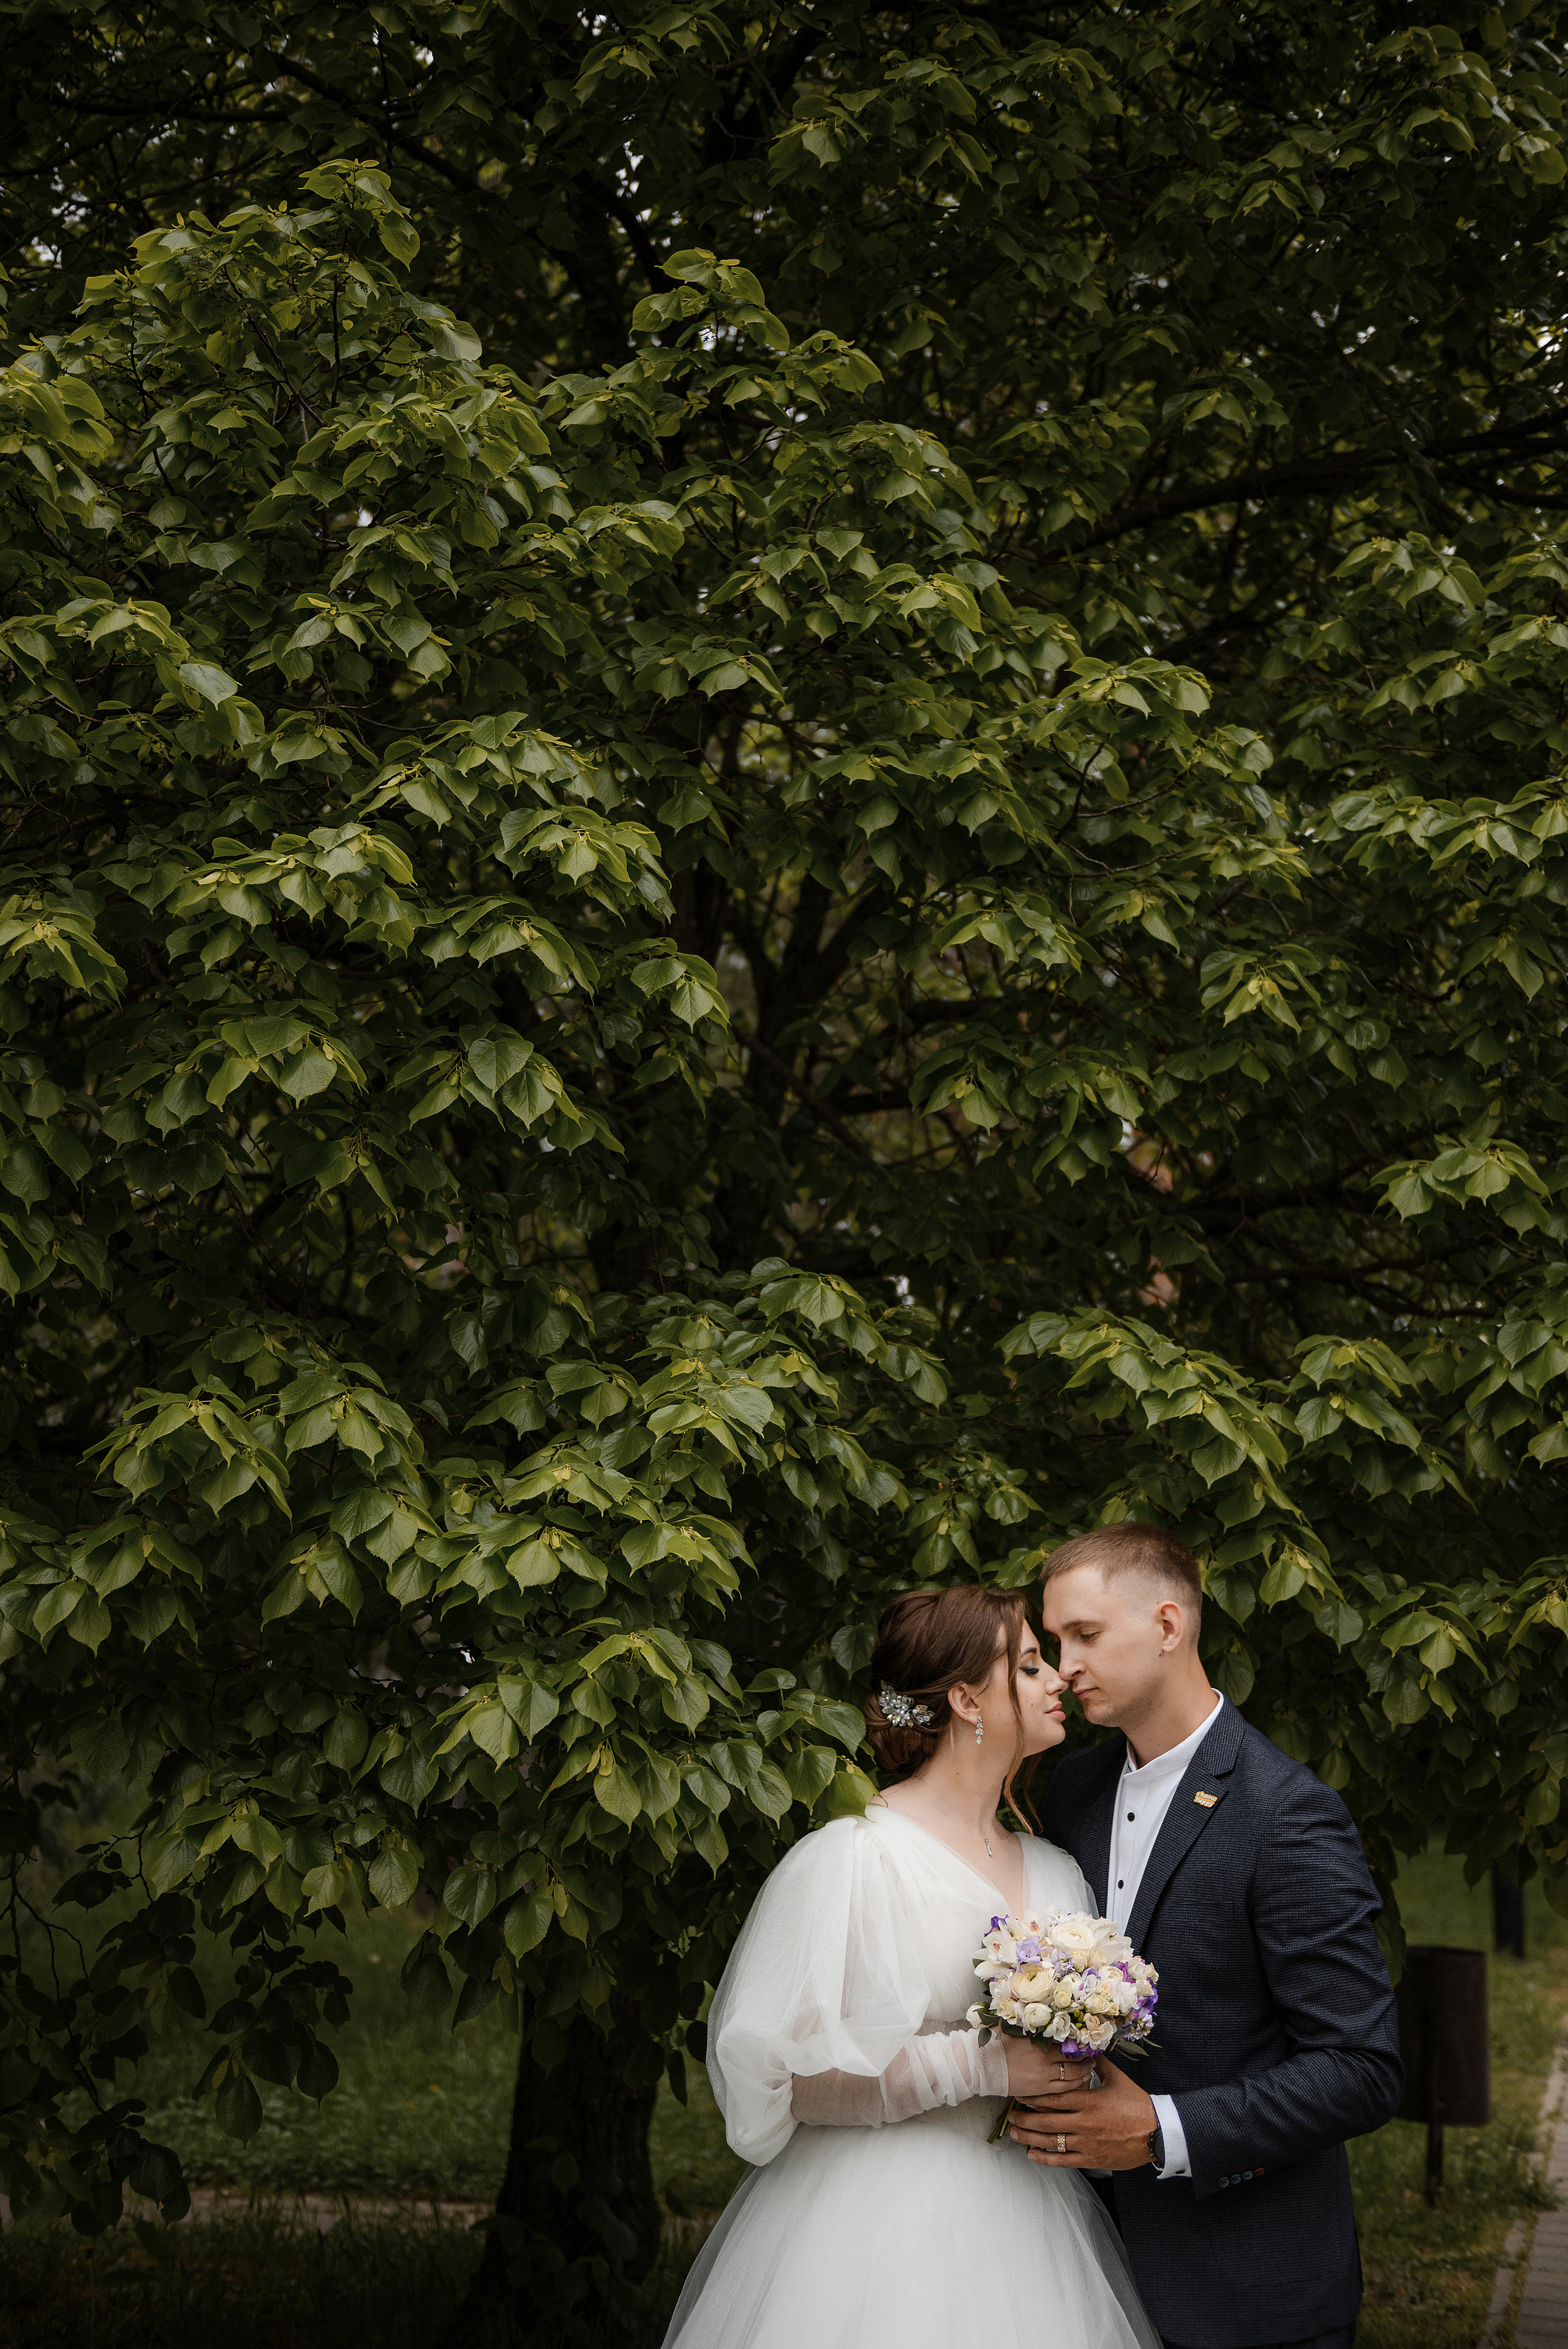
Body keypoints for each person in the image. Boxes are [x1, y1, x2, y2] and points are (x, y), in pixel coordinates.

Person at [662, 1584, 1161, 2349]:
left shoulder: (1055, 1868)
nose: (1057, 1678)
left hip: (1032, 2217)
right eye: (1029, 1666)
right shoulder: (856, 1858)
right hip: (877, 2217)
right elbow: (790, 2080)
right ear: (966, 1699)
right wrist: (984, 2065)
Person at [1015, 1520, 1404, 2349]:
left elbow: (1361, 2068)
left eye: (1085, 1634)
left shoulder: (1287, 1814)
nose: (1064, 1664)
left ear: (1167, 1625)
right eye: (1054, 1640)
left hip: (1245, 2290)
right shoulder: (1074, 1787)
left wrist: (1163, 2129)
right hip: (1074, 2272)